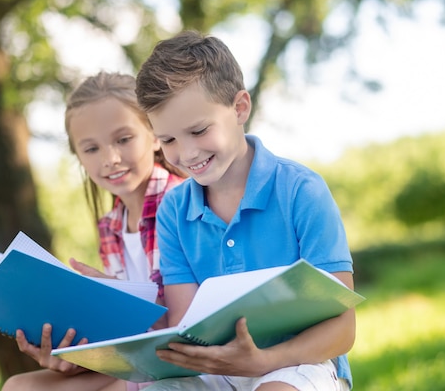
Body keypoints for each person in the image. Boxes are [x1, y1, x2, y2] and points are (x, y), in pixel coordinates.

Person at [133, 30, 356, 391]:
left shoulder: (301, 191)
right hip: (215, 365)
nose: (187, 154)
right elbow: (188, 326)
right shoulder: (173, 211)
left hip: (299, 362)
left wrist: (263, 362)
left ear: (239, 108)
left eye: (199, 130)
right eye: (169, 140)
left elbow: (343, 330)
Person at [1, 72, 185, 391]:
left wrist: (117, 296)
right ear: (79, 158)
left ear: (156, 135)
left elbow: (183, 322)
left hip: (177, 361)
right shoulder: (110, 225)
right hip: (139, 359)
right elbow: (125, 335)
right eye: (91, 149)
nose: (110, 159)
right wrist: (72, 354)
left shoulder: (180, 203)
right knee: (19, 387)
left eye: (123, 140)